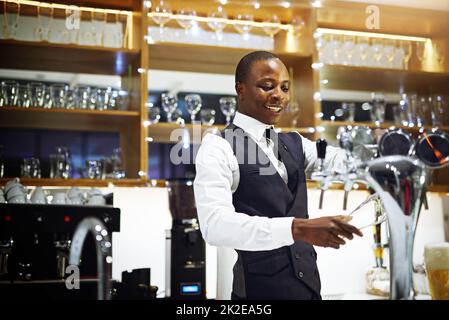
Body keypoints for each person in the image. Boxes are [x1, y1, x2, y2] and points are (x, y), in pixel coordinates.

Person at [193, 51, 363, 300]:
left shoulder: (296, 143)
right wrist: (297, 229)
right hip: (255, 294)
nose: (278, 96)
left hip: (309, 290)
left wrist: (376, 157)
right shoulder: (218, 145)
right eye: (267, 86)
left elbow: (341, 161)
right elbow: (215, 226)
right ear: (240, 89)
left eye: (284, 88)